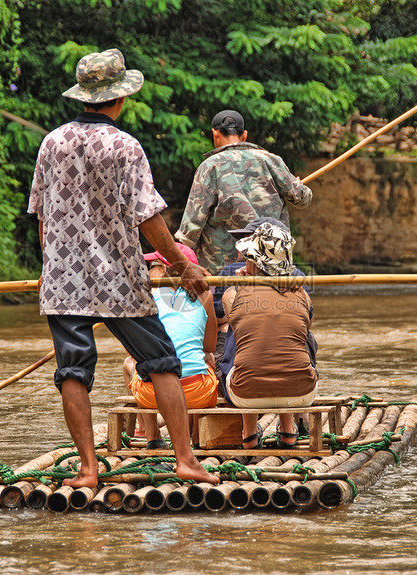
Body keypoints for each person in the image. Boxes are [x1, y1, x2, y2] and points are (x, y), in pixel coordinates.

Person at [28, 48, 219, 488]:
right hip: (118, 279)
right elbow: (147, 218)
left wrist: (48, 266)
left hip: (64, 281)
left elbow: (43, 214)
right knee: (162, 361)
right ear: (119, 98)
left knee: (72, 371)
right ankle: (186, 461)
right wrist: (181, 266)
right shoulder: (125, 145)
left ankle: (88, 470)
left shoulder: (51, 142)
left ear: (83, 97)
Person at [175, 109, 313, 272]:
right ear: (245, 134)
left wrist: (174, 256)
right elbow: (303, 199)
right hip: (270, 266)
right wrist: (298, 185)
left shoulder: (209, 166)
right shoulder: (271, 160)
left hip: (221, 269)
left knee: (225, 298)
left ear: (215, 133)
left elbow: (192, 225)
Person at [220, 222, 318, 449]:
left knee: (240, 339)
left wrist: (242, 285)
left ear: (255, 262)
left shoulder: (232, 294)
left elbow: (233, 322)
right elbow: (305, 328)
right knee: (292, 338)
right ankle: (288, 430)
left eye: (248, 258)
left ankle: (249, 434)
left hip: (244, 392)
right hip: (302, 393)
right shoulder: (302, 294)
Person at [122, 244, 219, 449]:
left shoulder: (148, 296)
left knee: (131, 362)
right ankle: (194, 437)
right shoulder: (205, 295)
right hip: (197, 392)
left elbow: (134, 350)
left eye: (153, 265)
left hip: (152, 395)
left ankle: (153, 436)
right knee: (207, 359)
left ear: (164, 269)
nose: (149, 271)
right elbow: (209, 345)